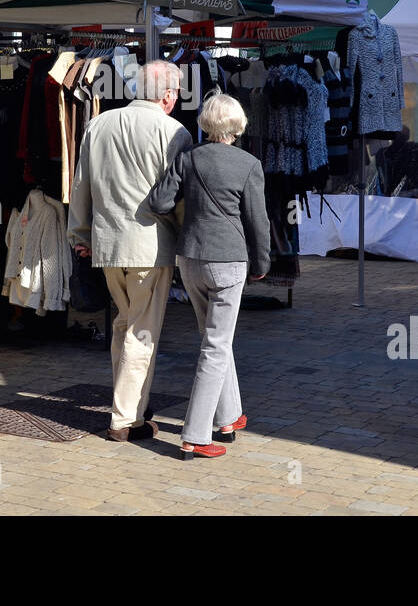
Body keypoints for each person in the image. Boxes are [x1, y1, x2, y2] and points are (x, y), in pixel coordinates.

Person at [68, 60, 192, 442]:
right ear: (168, 95)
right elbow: (180, 200)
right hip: (150, 247)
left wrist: (80, 235)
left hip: (108, 243)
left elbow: (81, 186)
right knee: (140, 331)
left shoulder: (99, 124)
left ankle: (132, 404)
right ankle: (125, 418)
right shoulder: (174, 131)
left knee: (124, 326)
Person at [148, 93, 270, 460]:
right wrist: (262, 263)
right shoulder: (249, 164)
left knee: (215, 337)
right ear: (237, 124)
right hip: (228, 261)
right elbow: (257, 221)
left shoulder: (188, 157)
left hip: (190, 257)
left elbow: (159, 202)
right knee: (215, 345)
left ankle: (229, 416)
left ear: (205, 123)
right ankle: (196, 435)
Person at [374, 125, 418, 199]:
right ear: (407, 137)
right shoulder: (412, 148)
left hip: (391, 195)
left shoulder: (382, 153)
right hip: (411, 194)